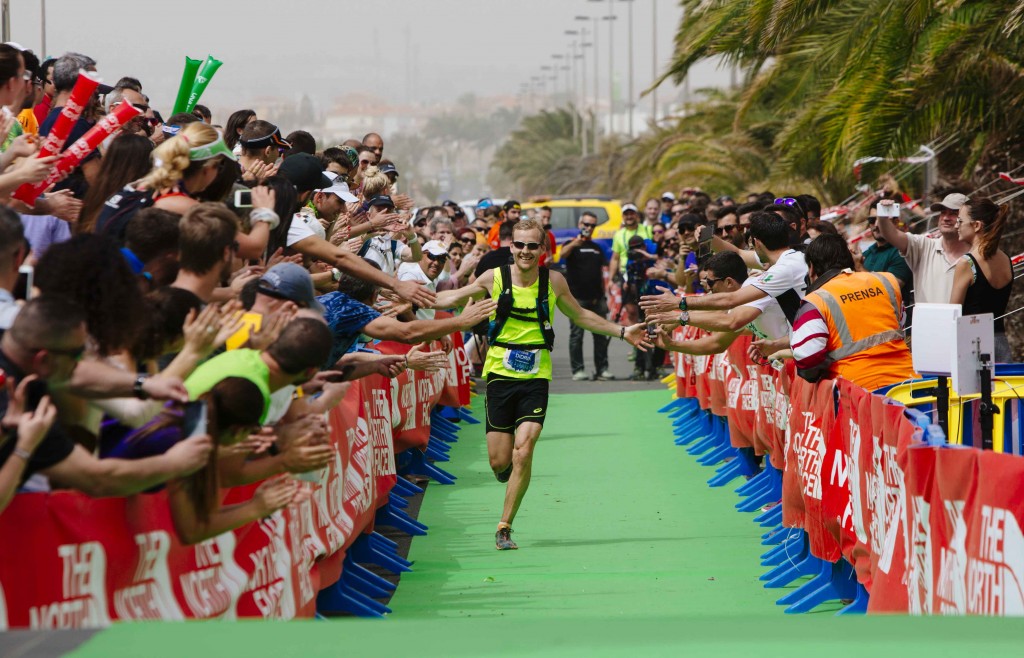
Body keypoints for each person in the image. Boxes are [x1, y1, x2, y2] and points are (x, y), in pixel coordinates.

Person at [432, 219, 650, 550]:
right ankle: (508, 473)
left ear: (543, 250)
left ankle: (505, 526)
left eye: (532, 246)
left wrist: (622, 331)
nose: (525, 251)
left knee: (525, 449)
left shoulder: (554, 281)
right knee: (499, 460)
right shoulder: (494, 278)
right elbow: (453, 298)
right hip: (500, 375)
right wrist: (407, 296)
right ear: (510, 247)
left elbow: (581, 316)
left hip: (536, 376)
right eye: (519, 245)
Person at [0, 297, 211, 497]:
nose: (82, 360)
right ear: (44, 359)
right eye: (76, 354)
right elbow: (97, 479)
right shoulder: (23, 414)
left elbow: (74, 374)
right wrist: (174, 463)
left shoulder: (13, 346)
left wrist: (142, 384)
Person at [787, 234, 916, 391]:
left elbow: (807, 359)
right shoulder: (887, 281)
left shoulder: (815, 301)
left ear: (811, 267)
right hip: (907, 383)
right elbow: (899, 323)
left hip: (857, 394)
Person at [645, 211, 807, 327]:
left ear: (756, 242)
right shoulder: (788, 258)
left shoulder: (784, 269)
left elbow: (731, 300)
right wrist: (709, 237)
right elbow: (737, 252)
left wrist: (680, 303)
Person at [874, 194, 970, 304]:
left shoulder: (977, 254)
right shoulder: (923, 246)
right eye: (943, 212)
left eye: (954, 214)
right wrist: (882, 216)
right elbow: (891, 234)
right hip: (925, 321)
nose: (946, 218)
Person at [950, 197, 1013, 362]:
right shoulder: (1006, 259)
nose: (957, 225)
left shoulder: (967, 263)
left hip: (973, 346)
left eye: (960, 221)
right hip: (1000, 344)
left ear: (976, 225)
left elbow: (952, 315)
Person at [560, 212, 612, 381]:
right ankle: (578, 370)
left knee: (601, 334)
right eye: (586, 224)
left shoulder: (597, 248)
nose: (589, 228)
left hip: (597, 298)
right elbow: (562, 255)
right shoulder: (571, 245)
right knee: (576, 335)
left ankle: (602, 369)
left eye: (592, 225)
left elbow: (602, 272)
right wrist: (575, 243)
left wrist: (605, 295)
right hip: (577, 300)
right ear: (580, 224)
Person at [856, 204, 913, 296]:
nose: (876, 225)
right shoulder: (867, 253)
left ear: (896, 222)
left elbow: (888, 290)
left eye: (881, 220)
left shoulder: (903, 251)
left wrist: (858, 266)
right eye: (872, 220)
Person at [397, 241, 449, 320]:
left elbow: (445, 276)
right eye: (432, 256)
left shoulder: (429, 276)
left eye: (442, 260)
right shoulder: (411, 275)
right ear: (420, 255)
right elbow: (401, 308)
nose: (436, 263)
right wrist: (421, 329)